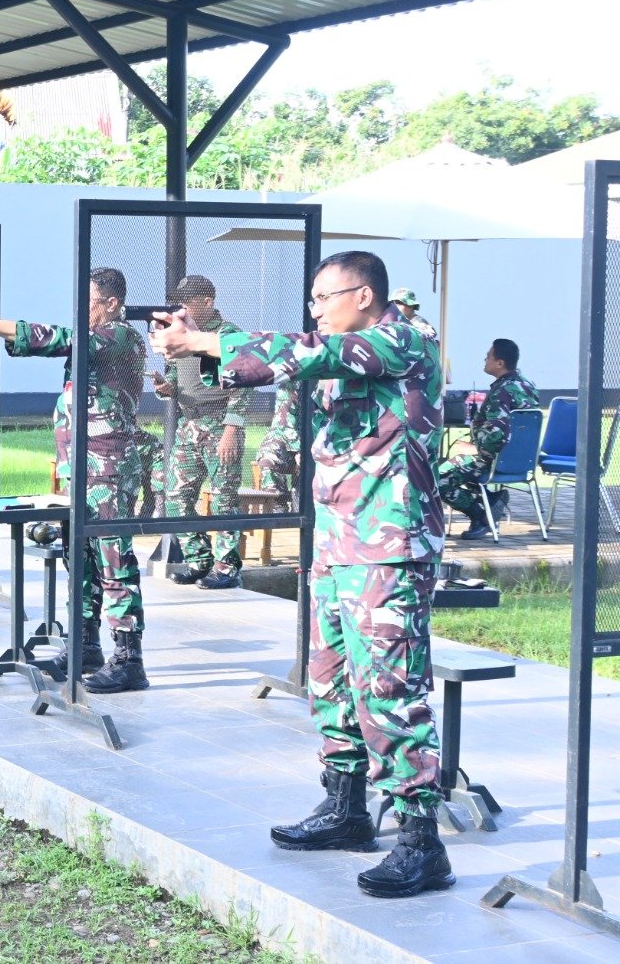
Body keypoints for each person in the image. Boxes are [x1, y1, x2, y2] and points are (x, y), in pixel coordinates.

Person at [151, 249, 454, 899]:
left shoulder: (403, 340)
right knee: (333, 682)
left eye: (324, 297)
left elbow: (301, 352)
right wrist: (204, 353)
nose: (315, 309)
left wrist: (203, 336)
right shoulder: (338, 353)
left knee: (391, 691)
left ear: (364, 296)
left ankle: (421, 842)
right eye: (313, 301)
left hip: (390, 548)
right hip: (338, 545)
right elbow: (271, 369)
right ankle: (346, 810)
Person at [0, 267, 149, 692]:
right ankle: (84, 647)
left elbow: (62, 338)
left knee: (113, 562)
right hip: (78, 467)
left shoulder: (120, 336)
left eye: (89, 301)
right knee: (77, 559)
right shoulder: (95, 339)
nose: (81, 311)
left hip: (108, 468)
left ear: (113, 304)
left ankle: (129, 659)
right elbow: (54, 342)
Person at [154, 274, 251, 589]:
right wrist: (167, 387)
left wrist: (232, 428)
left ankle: (227, 567)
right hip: (189, 424)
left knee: (224, 498)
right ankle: (200, 559)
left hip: (219, 423)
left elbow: (244, 381)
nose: (182, 309)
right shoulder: (180, 334)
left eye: (188, 303)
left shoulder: (228, 335)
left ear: (208, 302)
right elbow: (175, 371)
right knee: (175, 496)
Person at [435, 338, 538, 539]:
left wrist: (472, 448)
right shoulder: (527, 386)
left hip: (491, 459)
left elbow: (496, 436)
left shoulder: (501, 392)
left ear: (499, 363)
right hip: (519, 460)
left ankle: (481, 517)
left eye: (488, 356)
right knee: (456, 469)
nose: (485, 359)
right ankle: (491, 498)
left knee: (436, 479)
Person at [255, 383, 301, 498]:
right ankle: (278, 510)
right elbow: (282, 426)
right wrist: (299, 449)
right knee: (267, 457)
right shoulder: (289, 384)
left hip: (322, 447)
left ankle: (301, 507)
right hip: (291, 445)